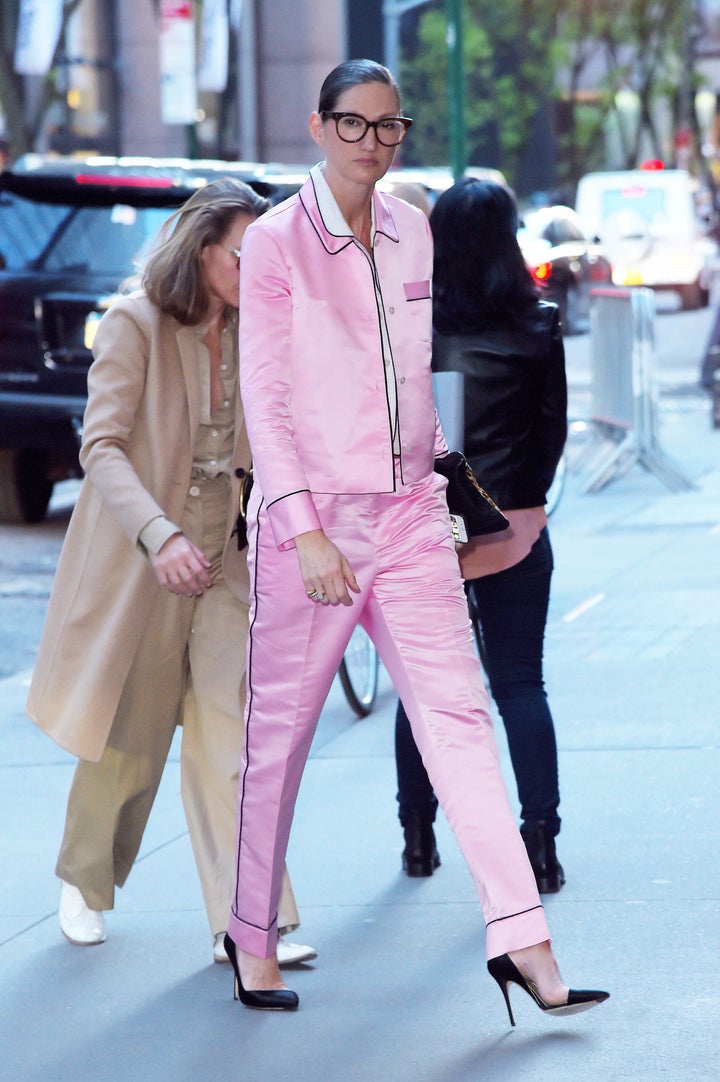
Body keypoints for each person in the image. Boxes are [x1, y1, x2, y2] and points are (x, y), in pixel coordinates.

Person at [223, 58, 608, 1022]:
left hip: (406, 518)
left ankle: (525, 941)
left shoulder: (413, 230)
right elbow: (264, 402)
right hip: (312, 526)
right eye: (354, 125)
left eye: (389, 127)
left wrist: (445, 482)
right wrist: (305, 529)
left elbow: (411, 382)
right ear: (318, 128)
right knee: (280, 740)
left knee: (462, 724)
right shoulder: (276, 243)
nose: (373, 144)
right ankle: (250, 937)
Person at [26, 178, 315, 968]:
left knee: (234, 741)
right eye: (242, 250)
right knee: (130, 737)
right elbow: (101, 447)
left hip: (227, 562)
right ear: (201, 249)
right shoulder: (135, 323)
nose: (255, 265)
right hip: (143, 563)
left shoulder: (262, 328)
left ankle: (245, 920)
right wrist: (159, 535)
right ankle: (87, 882)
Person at [394, 178, 568, 895]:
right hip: (515, 529)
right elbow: (549, 435)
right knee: (521, 684)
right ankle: (541, 842)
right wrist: (524, 507)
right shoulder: (539, 325)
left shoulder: (413, 327)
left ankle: (418, 837)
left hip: (426, 530)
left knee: (422, 693)